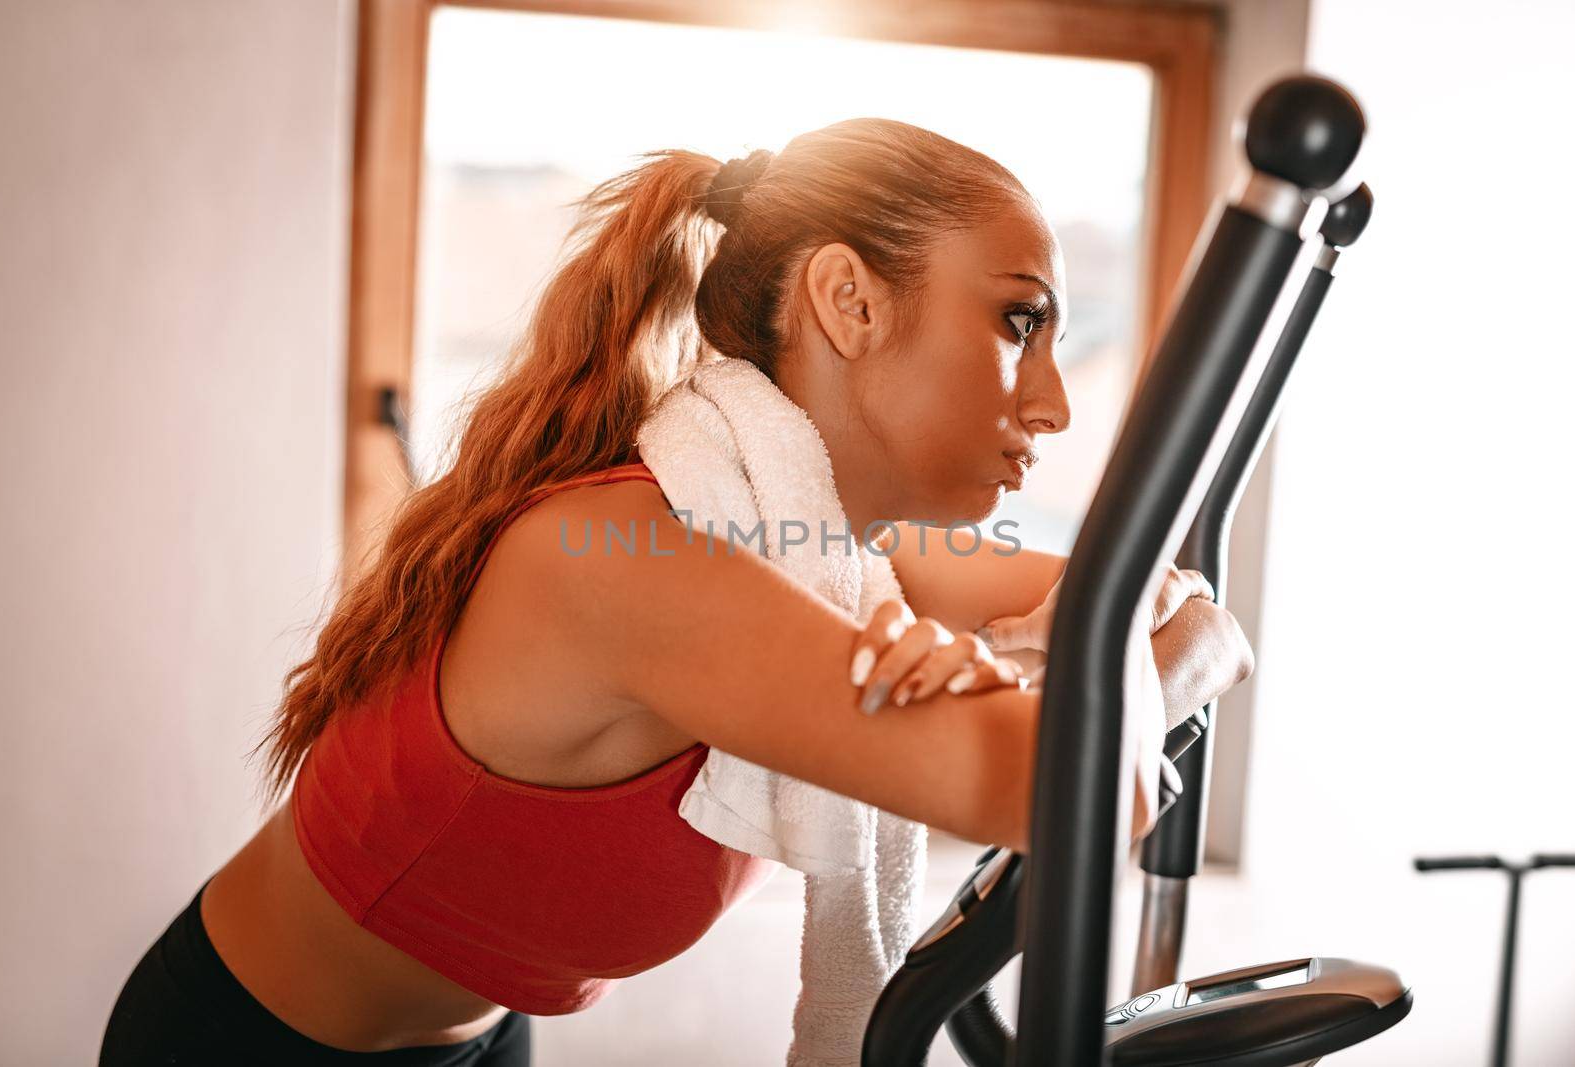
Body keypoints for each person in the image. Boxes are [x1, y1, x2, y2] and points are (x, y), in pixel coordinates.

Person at [99, 118, 1253, 1065]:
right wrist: (1107, 664)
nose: (1051, 403)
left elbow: (1175, 598)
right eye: (1017, 321)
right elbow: (1059, 785)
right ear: (848, 303)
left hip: (476, 1036)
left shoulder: (817, 538)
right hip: (245, 1043)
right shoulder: (630, 559)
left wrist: (1090, 647)